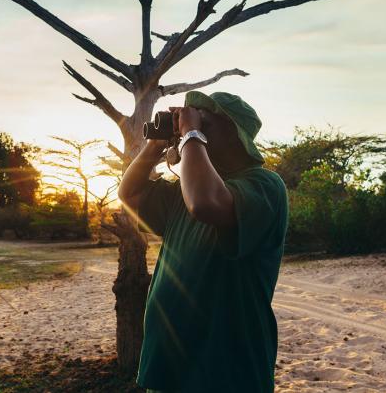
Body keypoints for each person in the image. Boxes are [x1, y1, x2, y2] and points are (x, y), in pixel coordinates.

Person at [119, 91, 289, 393]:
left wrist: (190, 134)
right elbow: (129, 194)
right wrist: (155, 145)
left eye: (203, 121)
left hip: (225, 366)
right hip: (169, 364)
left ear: (234, 134)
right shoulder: (183, 191)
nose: (187, 126)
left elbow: (205, 204)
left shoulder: (264, 185)